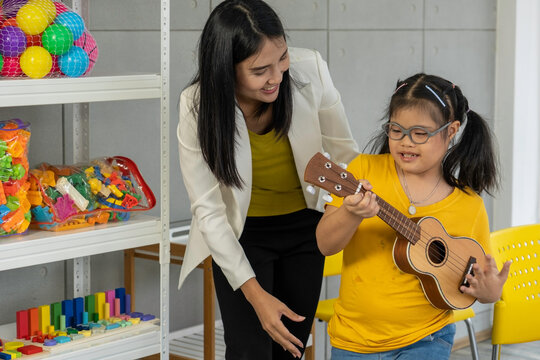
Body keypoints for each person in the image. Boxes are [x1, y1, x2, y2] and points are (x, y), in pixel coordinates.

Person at [176, 0, 359, 358]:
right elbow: (209, 211)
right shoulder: (197, 105)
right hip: (241, 235)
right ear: (226, 70)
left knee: (290, 349)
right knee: (249, 352)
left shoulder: (311, 71)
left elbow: (345, 155)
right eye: (260, 70)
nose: (277, 76)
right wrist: (257, 297)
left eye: (282, 58)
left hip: (306, 231)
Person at [316, 73, 512, 359]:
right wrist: (350, 213)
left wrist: (490, 291)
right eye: (396, 130)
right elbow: (325, 245)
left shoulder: (468, 204)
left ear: (451, 130)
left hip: (428, 338)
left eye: (420, 133)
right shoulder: (365, 172)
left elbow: (476, 278)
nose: (406, 142)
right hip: (354, 340)